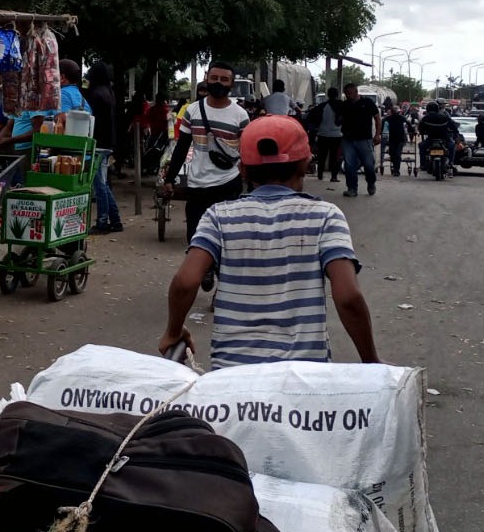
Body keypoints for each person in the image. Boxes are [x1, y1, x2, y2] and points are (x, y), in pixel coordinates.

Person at [158, 115, 379, 367]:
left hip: (232, 377)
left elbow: (186, 282)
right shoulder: (326, 217)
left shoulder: (218, 216)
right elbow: (349, 298)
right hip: (304, 376)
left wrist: (173, 331)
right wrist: (370, 360)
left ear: (242, 169)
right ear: (307, 164)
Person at [161, 62, 250, 245]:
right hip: (197, 186)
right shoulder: (192, 111)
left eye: (224, 80)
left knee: (226, 240)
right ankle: (204, 273)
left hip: (228, 184)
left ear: (231, 84)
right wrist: (170, 179)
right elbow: (182, 146)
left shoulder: (241, 116)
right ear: (206, 79)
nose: (218, 83)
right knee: (195, 238)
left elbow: (247, 151)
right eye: (214, 78)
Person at [85, 62, 122, 234]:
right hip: (108, 143)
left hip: (98, 143)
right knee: (104, 184)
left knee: (99, 185)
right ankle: (115, 220)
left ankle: (103, 222)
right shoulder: (108, 93)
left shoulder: (95, 94)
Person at [337, 83, 382, 198]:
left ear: (356, 92)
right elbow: (339, 120)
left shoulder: (367, 103)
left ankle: (371, 183)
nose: (348, 96)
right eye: (346, 94)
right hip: (348, 140)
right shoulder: (345, 105)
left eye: (350, 94)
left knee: (369, 165)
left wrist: (377, 135)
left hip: (364, 140)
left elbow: (377, 119)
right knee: (349, 165)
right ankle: (352, 188)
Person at [307, 88, 343, 182]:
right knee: (334, 156)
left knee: (322, 155)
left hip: (322, 134)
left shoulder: (322, 106)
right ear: (337, 95)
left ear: (328, 95)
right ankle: (334, 176)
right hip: (336, 135)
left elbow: (311, 116)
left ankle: (320, 174)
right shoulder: (341, 105)